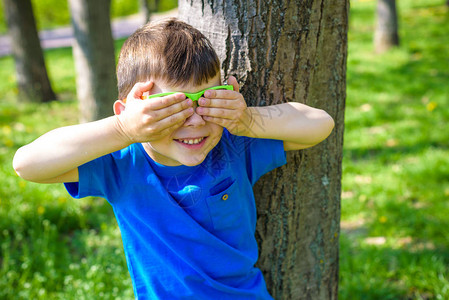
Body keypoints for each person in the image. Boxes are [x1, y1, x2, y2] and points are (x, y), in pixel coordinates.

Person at [13, 18, 335, 299]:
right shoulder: (122, 166)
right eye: (170, 109)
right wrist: (123, 129)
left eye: (207, 101)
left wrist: (246, 120)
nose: (194, 121)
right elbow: (26, 163)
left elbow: (320, 124)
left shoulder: (233, 146)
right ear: (133, 113)